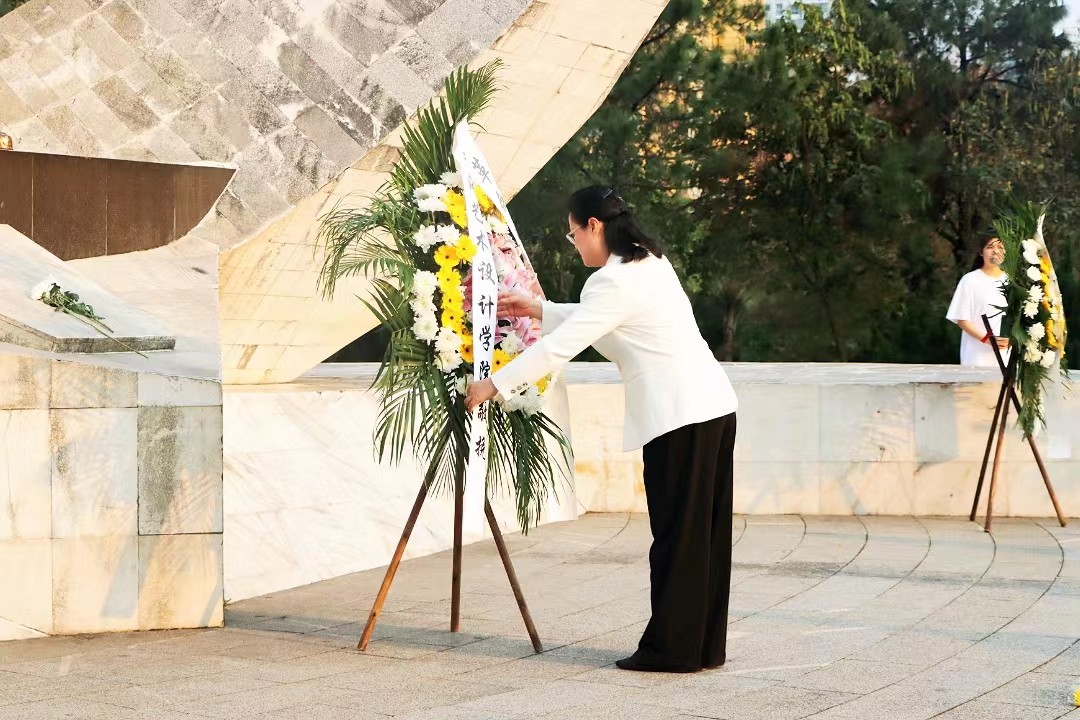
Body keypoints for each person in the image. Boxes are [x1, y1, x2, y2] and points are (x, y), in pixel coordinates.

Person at [464, 186, 738, 673]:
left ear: (594, 226)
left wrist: (493, 385)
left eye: (573, 235)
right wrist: (538, 308)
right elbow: (603, 321)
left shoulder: (610, 282)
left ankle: (672, 651)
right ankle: (703, 648)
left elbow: (561, 347)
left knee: (676, 536)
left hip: (678, 416)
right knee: (705, 535)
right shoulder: (650, 261)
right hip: (714, 406)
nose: (575, 246)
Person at [946, 235, 1011, 366]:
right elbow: (962, 319)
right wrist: (987, 339)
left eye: (1000, 247)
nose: (995, 251)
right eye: (990, 247)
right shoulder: (969, 280)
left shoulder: (1012, 281)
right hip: (977, 355)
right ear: (981, 252)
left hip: (1007, 355)